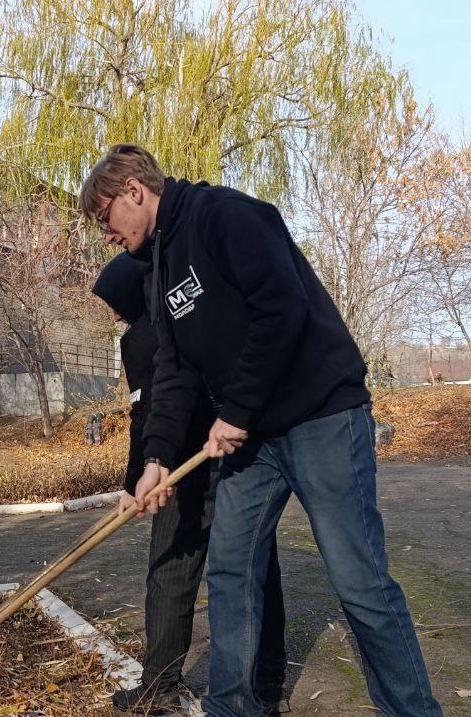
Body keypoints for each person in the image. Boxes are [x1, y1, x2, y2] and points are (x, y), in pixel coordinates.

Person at [81, 145, 443, 717]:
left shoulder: (226, 216)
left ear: (133, 191)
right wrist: (155, 458)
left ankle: (412, 710)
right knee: (230, 571)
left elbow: (283, 307)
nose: (105, 233)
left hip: (320, 416)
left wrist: (239, 409)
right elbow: (173, 372)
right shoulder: (160, 269)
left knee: (359, 583)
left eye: (104, 218)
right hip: (255, 442)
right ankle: (235, 708)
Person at [93, 253, 289, 714]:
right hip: (243, 455)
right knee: (256, 568)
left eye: (115, 302)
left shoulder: (141, 338)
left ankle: (159, 686)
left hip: (186, 467)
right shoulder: (187, 317)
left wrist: (135, 479)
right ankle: (268, 679)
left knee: (169, 572)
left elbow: (146, 416)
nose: (115, 312)